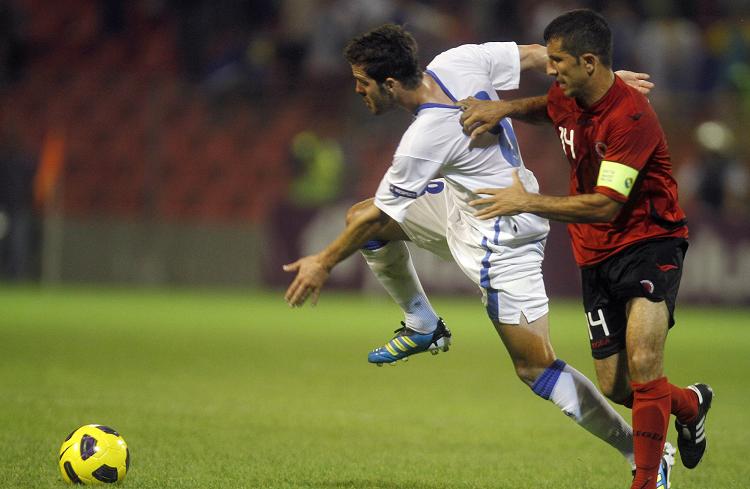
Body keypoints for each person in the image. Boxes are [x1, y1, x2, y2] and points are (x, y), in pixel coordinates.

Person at [283, 23, 671, 483]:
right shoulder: (457, 60)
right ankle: (422, 323)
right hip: (459, 206)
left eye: (362, 83)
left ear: (389, 84)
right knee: (358, 218)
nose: (357, 91)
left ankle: (639, 450)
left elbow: (380, 215)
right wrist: (603, 83)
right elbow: (535, 55)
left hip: (503, 235)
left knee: (534, 367)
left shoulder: (424, 138)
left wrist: (322, 261)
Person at [458, 9, 712, 489]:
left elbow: (605, 206)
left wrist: (526, 202)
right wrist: (505, 108)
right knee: (617, 385)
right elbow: (549, 107)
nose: (549, 69)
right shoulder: (570, 92)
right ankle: (689, 404)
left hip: (647, 240)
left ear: (589, 62)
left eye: (557, 61)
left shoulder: (629, 117)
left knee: (642, 363)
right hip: (595, 254)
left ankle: (646, 479)